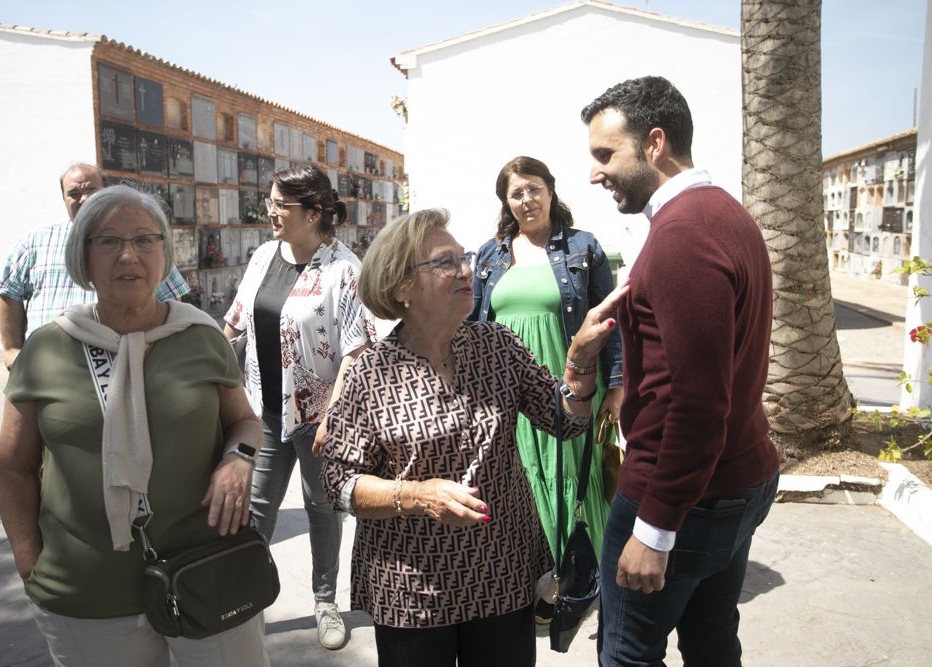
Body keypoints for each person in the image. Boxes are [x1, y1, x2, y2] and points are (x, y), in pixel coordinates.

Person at [321, 209, 628, 667]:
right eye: (446, 262)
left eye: (463, 258)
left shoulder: (496, 345)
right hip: (413, 588)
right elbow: (338, 481)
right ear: (402, 286)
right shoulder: (371, 371)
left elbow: (567, 422)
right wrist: (417, 495)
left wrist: (580, 362)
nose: (466, 269)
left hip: (502, 573)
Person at [0, 185, 270, 666]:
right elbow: (13, 466)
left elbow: (244, 422)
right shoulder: (46, 349)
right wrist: (28, 560)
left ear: (164, 253)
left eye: (145, 240)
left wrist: (237, 460)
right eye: (108, 241)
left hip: (208, 572)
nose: (129, 255)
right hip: (86, 590)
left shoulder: (200, 335)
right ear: (83, 256)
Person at [580, 76, 781, 665]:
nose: (595, 173)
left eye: (604, 154)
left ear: (654, 144)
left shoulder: (683, 237)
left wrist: (655, 528)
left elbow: (694, 405)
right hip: (730, 481)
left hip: (685, 495)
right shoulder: (721, 214)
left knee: (626, 653)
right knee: (711, 637)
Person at [223, 164, 373, 651]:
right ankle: (245, 602)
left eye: (279, 204)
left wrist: (332, 418)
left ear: (312, 213)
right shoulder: (265, 254)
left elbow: (356, 352)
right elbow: (236, 323)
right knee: (256, 509)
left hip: (319, 420)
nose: (269, 210)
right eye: (269, 200)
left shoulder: (344, 269)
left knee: (322, 508)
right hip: (262, 411)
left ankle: (326, 601)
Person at [470, 156, 623, 623]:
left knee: (569, 483)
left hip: (569, 388)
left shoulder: (582, 247)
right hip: (509, 395)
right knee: (521, 482)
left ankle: (574, 576)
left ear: (551, 191)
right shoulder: (490, 253)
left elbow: (612, 325)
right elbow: (476, 325)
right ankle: (540, 575)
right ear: (506, 203)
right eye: (516, 194)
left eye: (533, 189)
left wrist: (616, 386)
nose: (526, 199)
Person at [0, 163, 190, 370]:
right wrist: (11, 350)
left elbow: (170, 297)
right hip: (45, 363)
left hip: (120, 364)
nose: (84, 198)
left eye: (91, 191)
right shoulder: (36, 241)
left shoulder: (142, 243)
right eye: (74, 193)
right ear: (63, 198)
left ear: (105, 192)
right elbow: (9, 291)